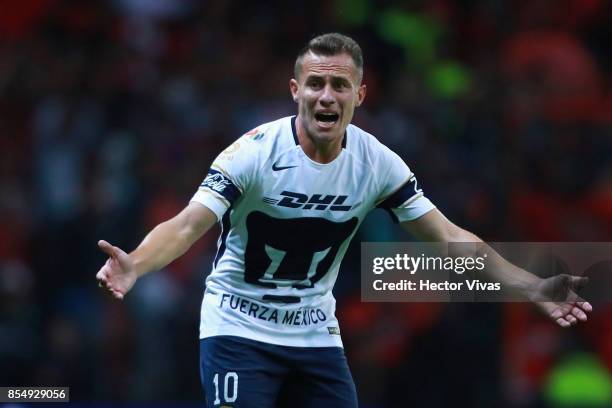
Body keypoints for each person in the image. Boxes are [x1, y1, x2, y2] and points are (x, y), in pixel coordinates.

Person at [96, 33, 592, 407]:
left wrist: (533, 287)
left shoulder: (378, 164)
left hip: (314, 332)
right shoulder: (250, 155)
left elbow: (449, 239)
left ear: (360, 94)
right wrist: (136, 264)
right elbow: (186, 225)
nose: (326, 96)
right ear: (295, 90)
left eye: (339, 84)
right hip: (238, 327)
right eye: (315, 84)